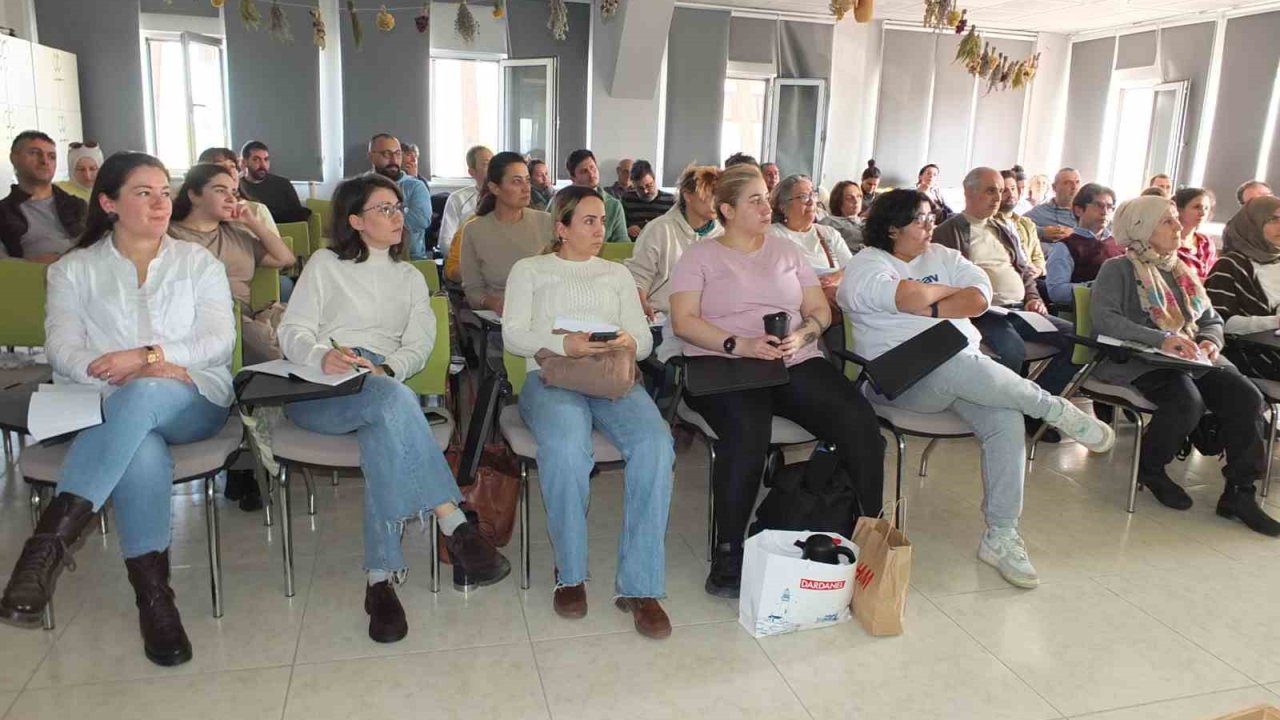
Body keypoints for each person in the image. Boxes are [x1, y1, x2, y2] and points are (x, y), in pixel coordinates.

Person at [0, 151, 235, 667]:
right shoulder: (73, 270)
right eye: (142, 192)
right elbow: (62, 348)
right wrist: (119, 373)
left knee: (148, 395)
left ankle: (48, 545)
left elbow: (218, 340)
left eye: (162, 191)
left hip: (192, 398)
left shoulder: (198, 263)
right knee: (142, 446)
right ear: (108, 203)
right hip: (110, 405)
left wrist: (150, 360)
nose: (159, 203)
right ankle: (155, 599)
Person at [279, 173, 511, 643]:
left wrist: (389, 372)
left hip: (381, 383)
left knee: (385, 423)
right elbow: (292, 330)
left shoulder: (411, 277)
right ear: (355, 221)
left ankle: (380, 580)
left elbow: (421, 344)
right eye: (384, 208)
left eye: (398, 207)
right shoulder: (325, 265)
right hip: (322, 385)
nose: (397, 215)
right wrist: (321, 354)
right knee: (390, 405)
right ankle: (454, 520)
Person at [841, 189, 1114, 588]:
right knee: (958, 361)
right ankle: (1052, 408)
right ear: (892, 227)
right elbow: (908, 294)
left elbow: (980, 296)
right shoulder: (867, 265)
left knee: (1004, 417)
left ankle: (1001, 533)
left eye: (931, 216)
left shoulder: (943, 256)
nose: (930, 225)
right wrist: (945, 298)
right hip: (898, 379)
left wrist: (931, 306)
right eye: (920, 219)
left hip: (963, 369)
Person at [670, 164, 884, 598]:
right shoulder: (700, 257)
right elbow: (683, 321)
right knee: (748, 435)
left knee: (859, 423)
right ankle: (729, 553)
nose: (766, 207)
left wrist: (805, 334)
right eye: (754, 200)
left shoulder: (787, 252)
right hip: (725, 361)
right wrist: (740, 344)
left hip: (792, 358)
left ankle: (867, 533)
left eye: (766, 199)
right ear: (726, 209)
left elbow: (818, 311)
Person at [502, 185, 675, 638]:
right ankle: (571, 574)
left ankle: (640, 586)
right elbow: (513, 335)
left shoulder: (616, 274)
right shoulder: (531, 270)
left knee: (656, 444)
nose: (601, 229)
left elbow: (645, 339)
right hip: (551, 375)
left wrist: (627, 341)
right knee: (565, 446)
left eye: (602, 220)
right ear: (561, 228)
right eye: (589, 221)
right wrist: (565, 344)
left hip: (609, 376)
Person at [1091, 195, 1280, 536]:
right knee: (1186, 402)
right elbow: (1106, 320)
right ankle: (1151, 468)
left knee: (1248, 399)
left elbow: (1211, 318)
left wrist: (1211, 341)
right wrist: (1160, 339)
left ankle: (1239, 492)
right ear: (1142, 227)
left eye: (1177, 220)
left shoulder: (1181, 269)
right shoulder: (1117, 269)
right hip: (1141, 358)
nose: (1179, 227)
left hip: (1192, 358)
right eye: (1168, 221)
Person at [934, 168, 1076, 418]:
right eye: (991, 190)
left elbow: (1024, 269)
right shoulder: (949, 230)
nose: (998, 197)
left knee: (1078, 340)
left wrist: (1033, 297)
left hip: (1021, 308)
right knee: (1012, 350)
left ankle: (1034, 410)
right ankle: (999, 416)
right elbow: (947, 281)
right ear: (969, 192)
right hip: (984, 312)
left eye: (1000, 191)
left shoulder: (1003, 228)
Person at [168, 162, 296, 364]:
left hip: (244, 318)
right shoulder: (170, 236)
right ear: (194, 195)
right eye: (220, 190)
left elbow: (285, 259)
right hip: (199, 321)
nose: (230, 198)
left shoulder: (237, 235)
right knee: (276, 349)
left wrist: (252, 222)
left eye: (234, 192)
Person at [459, 151, 552, 315]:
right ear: (495, 188)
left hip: (546, 312)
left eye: (528, 181)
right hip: (501, 320)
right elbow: (473, 290)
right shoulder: (474, 230)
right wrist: (494, 304)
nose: (526, 188)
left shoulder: (547, 222)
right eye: (517, 182)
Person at [626, 165, 720, 322]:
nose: (716, 200)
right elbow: (638, 277)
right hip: (663, 318)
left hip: (710, 321)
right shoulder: (658, 229)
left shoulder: (725, 233)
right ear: (688, 195)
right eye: (710, 193)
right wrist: (642, 306)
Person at [1204, 195, 1280, 379]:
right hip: (1248, 351)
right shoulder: (1229, 265)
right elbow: (1220, 323)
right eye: (1273, 220)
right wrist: (1274, 321)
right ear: (1252, 224)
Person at [0, 130, 87, 262]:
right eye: (34, 153)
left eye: (51, 156)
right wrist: (30, 265)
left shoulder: (77, 205)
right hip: (32, 278)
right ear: (14, 158)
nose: (45, 161)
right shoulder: (4, 212)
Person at [770, 174, 854, 305]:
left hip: (837, 300)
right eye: (803, 197)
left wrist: (836, 278)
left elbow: (853, 268)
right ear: (783, 206)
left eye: (813, 195)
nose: (811, 201)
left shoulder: (829, 233)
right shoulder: (773, 234)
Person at [1044, 182, 1123, 305]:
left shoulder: (1119, 244)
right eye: (1099, 205)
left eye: (1109, 207)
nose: (1105, 212)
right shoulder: (1066, 247)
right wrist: (1096, 287)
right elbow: (1057, 292)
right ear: (1078, 210)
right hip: (1086, 314)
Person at [197, 146, 281, 241]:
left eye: (232, 166)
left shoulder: (256, 210)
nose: (230, 171)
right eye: (219, 167)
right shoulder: (195, 212)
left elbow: (279, 253)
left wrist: (252, 222)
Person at [368, 133, 430, 261]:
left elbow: (420, 220)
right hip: (367, 256)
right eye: (387, 154)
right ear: (371, 156)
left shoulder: (415, 186)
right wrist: (400, 214)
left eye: (397, 154)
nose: (394, 160)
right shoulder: (359, 187)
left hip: (411, 259)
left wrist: (375, 222)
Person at [438, 145, 493, 257]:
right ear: (472, 172)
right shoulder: (457, 199)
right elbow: (445, 243)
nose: (493, 169)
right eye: (486, 164)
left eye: (494, 163)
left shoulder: (505, 198)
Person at [237, 141, 311, 224]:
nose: (263, 165)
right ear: (244, 162)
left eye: (266, 159)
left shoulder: (283, 184)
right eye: (256, 160)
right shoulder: (238, 187)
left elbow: (299, 217)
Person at [564, 149, 628, 243]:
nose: (591, 174)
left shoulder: (613, 205)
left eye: (593, 168)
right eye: (584, 171)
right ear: (573, 178)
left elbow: (622, 243)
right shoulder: (560, 201)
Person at [997, 170, 1045, 278]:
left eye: (1013, 189)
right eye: (1005, 190)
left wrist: (1038, 269)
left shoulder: (1027, 223)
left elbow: (1038, 256)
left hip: (1033, 278)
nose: (1010, 194)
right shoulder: (990, 224)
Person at [620, 160, 675, 239]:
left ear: (654, 179)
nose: (645, 191)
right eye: (640, 188)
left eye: (649, 186)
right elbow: (619, 228)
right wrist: (627, 229)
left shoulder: (671, 201)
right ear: (633, 185)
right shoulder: (626, 199)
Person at [1025, 167, 1082, 242]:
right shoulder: (1040, 212)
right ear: (1054, 187)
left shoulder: (1087, 211)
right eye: (1067, 183)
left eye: (1077, 182)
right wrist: (1041, 232)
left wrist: (1073, 234)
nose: (1074, 187)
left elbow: (1099, 234)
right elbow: (1016, 227)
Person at [1174, 187, 1217, 282]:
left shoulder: (1206, 242)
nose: (1203, 213)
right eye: (1197, 207)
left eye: (1206, 208)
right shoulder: (1169, 243)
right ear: (1180, 210)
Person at [818, 180, 864, 253]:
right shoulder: (830, 222)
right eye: (849, 198)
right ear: (838, 202)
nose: (856, 201)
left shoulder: (867, 221)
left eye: (859, 196)